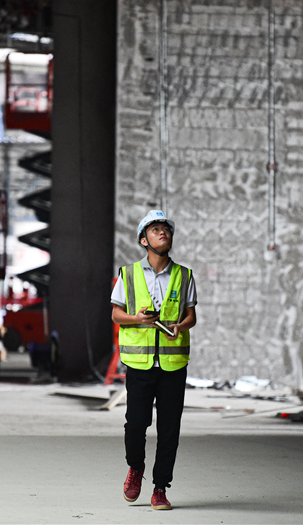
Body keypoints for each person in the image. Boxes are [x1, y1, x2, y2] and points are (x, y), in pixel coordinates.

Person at [110, 210, 197, 511]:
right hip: (140, 363)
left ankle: (160, 487)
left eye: (166, 229)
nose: (163, 233)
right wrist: (136, 319)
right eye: (156, 229)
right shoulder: (128, 274)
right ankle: (136, 468)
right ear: (144, 240)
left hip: (173, 365)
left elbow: (191, 316)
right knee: (136, 425)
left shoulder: (184, 274)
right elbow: (116, 314)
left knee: (169, 428)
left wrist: (180, 326)